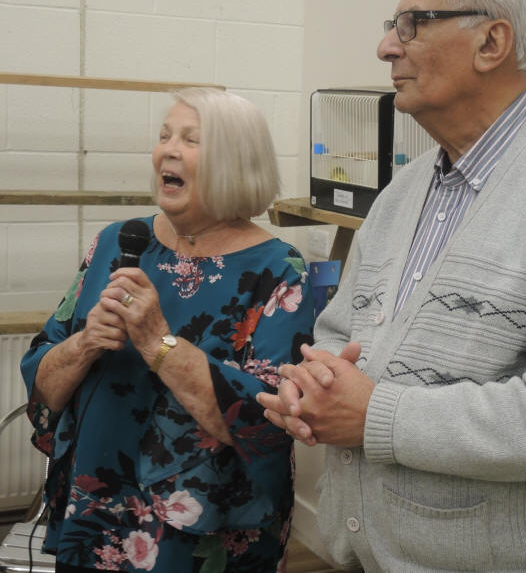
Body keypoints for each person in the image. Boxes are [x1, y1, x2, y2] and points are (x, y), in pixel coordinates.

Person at [257, 0, 526, 571]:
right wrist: (312, 385)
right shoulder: (402, 191)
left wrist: (376, 415)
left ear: (492, 43)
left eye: (412, 24)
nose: (387, 46)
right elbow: (339, 333)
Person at [21, 87, 315, 573]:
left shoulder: (279, 270)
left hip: (203, 533)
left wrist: (159, 342)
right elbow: (42, 385)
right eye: (164, 136)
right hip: (95, 516)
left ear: (237, 162)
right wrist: (86, 342)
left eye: (191, 140)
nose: (168, 150)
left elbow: (268, 421)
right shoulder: (116, 242)